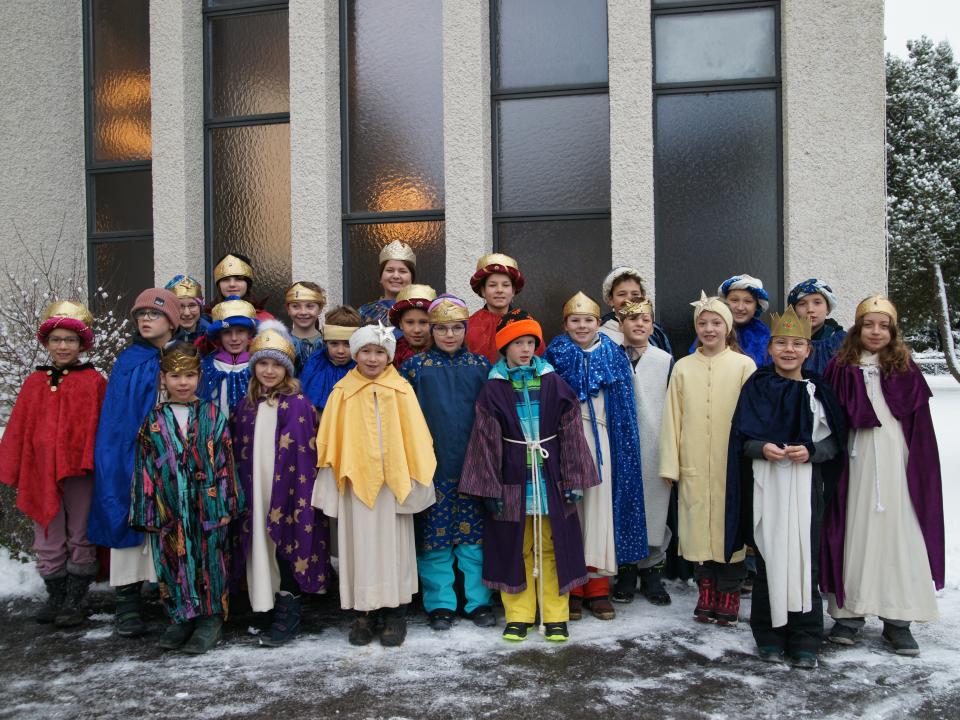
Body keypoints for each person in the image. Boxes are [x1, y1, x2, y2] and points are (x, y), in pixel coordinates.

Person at [460, 311, 600, 642]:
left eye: (530, 343)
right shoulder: (493, 390)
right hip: (512, 479)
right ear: (504, 346)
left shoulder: (553, 383)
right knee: (515, 546)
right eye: (518, 343)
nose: (525, 349)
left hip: (550, 478)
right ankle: (519, 615)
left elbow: (571, 433)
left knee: (553, 546)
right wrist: (489, 487)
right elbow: (484, 441)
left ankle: (555, 615)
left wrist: (574, 479)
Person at [725, 306, 847, 669]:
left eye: (797, 343)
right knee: (769, 555)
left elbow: (833, 443)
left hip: (805, 484)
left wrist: (809, 451)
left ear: (808, 350)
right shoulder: (757, 387)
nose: (789, 350)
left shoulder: (817, 390)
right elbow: (741, 439)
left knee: (803, 558)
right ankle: (769, 633)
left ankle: (805, 636)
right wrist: (761, 447)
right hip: (767, 482)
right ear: (770, 348)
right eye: (781, 343)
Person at [822, 295, 944, 656]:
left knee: (898, 535)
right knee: (853, 532)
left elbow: (921, 430)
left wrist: (918, 471)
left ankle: (898, 618)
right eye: (868, 324)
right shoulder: (839, 368)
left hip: (896, 465)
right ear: (857, 328)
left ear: (893, 331)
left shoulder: (905, 370)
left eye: (883, 325)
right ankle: (849, 614)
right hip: (854, 466)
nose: (875, 331)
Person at [312, 323, 437, 648]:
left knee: (394, 547)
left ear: (389, 356)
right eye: (366, 351)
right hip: (357, 485)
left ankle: (395, 611)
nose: (372, 358)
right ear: (356, 354)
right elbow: (331, 442)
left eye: (379, 352)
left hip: (393, 484)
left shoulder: (401, 389)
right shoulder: (343, 391)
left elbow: (416, 437)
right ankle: (364, 613)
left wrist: (415, 476)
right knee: (361, 547)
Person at [130, 342, 243, 654]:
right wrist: (148, 511)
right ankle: (180, 616)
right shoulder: (154, 420)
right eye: (175, 375)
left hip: (206, 507)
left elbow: (225, 461)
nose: (183, 382)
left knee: (210, 560)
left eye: (190, 375)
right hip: (169, 509)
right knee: (171, 560)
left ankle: (210, 619)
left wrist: (225, 503)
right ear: (163, 378)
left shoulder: (212, 415)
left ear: (199, 377)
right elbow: (145, 468)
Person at [0, 301, 106, 627]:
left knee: (81, 530)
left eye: (70, 341)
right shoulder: (34, 383)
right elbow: (21, 426)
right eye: (57, 340)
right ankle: (56, 596)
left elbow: (102, 426)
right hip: (40, 471)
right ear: (47, 343)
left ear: (81, 344)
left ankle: (75, 600)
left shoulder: (93, 382)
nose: (63, 346)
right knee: (47, 532)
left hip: (81, 471)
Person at [545, 292, 647, 622]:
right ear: (565, 324)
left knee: (600, 514)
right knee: (573, 513)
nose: (582, 326)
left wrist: (622, 448)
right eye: (575, 320)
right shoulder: (555, 354)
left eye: (588, 320)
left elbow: (624, 406)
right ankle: (574, 588)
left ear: (599, 323)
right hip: (566, 442)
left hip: (603, 439)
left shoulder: (614, 355)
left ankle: (599, 587)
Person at [229, 321, 331, 647]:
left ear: (286, 370)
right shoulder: (244, 407)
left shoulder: (298, 404)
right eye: (262, 363)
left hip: (288, 489)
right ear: (253, 365)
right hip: (253, 490)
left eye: (276, 365)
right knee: (258, 544)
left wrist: (297, 494)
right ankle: (265, 604)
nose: (269, 371)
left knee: (288, 543)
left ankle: (289, 606)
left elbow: (304, 453)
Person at [87, 287, 180, 637]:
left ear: (171, 321)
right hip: (131, 454)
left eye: (153, 314)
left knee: (171, 523)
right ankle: (127, 602)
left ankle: (171, 594)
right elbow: (117, 416)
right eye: (141, 315)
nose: (145, 319)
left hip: (170, 456)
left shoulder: (183, 358)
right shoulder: (129, 361)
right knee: (127, 520)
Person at [660, 291, 755, 626]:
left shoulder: (744, 365)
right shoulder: (684, 368)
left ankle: (729, 591)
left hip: (732, 465)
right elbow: (672, 417)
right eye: (703, 323)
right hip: (695, 462)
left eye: (716, 323)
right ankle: (707, 590)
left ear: (727, 328)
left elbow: (752, 416)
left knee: (730, 526)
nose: (709, 329)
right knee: (699, 529)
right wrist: (671, 464)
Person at [400, 295, 494, 631]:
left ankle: (478, 600)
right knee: (435, 539)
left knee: (473, 540)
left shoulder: (481, 366)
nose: (449, 334)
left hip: (472, 466)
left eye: (456, 328)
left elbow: (492, 416)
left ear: (465, 329)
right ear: (431, 330)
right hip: (432, 466)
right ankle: (440, 602)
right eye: (441, 328)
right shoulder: (415, 367)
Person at [612, 299, 674, 606]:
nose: (639, 324)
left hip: (654, 444)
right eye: (632, 318)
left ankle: (651, 572)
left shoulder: (664, 361)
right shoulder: (610, 357)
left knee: (654, 508)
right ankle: (625, 571)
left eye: (646, 320)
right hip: (619, 445)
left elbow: (675, 407)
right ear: (620, 323)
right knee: (622, 507)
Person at [465, 253, 541, 363]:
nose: (499, 290)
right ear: (483, 290)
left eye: (505, 285)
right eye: (492, 285)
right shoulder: (470, 327)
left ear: (513, 290)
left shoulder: (527, 324)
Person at [690, 275, 771, 368]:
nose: (740, 307)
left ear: (757, 306)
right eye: (734, 300)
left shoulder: (764, 336)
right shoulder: (712, 331)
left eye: (748, 301)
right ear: (724, 303)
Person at [198, 297, 257, 418]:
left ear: (250, 334)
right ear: (219, 336)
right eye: (227, 332)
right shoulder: (208, 367)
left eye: (240, 331)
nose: (234, 338)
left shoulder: (260, 366)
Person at [300, 305, 361, 412]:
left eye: (347, 344)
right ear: (325, 342)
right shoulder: (316, 364)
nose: (340, 351)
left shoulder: (361, 367)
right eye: (334, 344)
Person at [598, 266, 672, 353]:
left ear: (642, 297)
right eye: (622, 294)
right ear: (611, 300)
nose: (629, 299)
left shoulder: (656, 333)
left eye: (635, 294)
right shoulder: (600, 334)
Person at [787, 279, 846, 375]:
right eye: (802, 304)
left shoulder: (842, 342)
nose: (810, 309)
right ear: (794, 311)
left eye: (817, 303)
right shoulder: (785, 343)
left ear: (828, 308)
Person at [358, 240, 416, 334]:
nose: (396, 276)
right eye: (390, 270)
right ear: (381, 277)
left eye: (402, 271)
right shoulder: (365, 312)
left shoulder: (422, 309)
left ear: (412, 278)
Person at [211, 253, 274, 322]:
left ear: (247, 284)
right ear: (219, 285)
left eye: (239, 279)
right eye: (225, 279)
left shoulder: (266, 321)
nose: (232, 284)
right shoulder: (205, 318)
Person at [388, 284, 437, 368]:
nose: (417, 330)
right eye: (410, 322)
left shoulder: (444, 352)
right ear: (400, 324)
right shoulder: (390, 355)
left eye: (423, 322)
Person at [284, 281, 327, 374]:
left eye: (310, 306)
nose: (303, 312)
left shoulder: (328, 344)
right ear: (288, 309)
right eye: (296, 306)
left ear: (320, 309)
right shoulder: (282, 343)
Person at [165, 275, 209, 344]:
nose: (187, 313)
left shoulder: (211, 336)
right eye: (180, 306)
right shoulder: (159, 337)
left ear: (200, 307)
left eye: (192, 305)